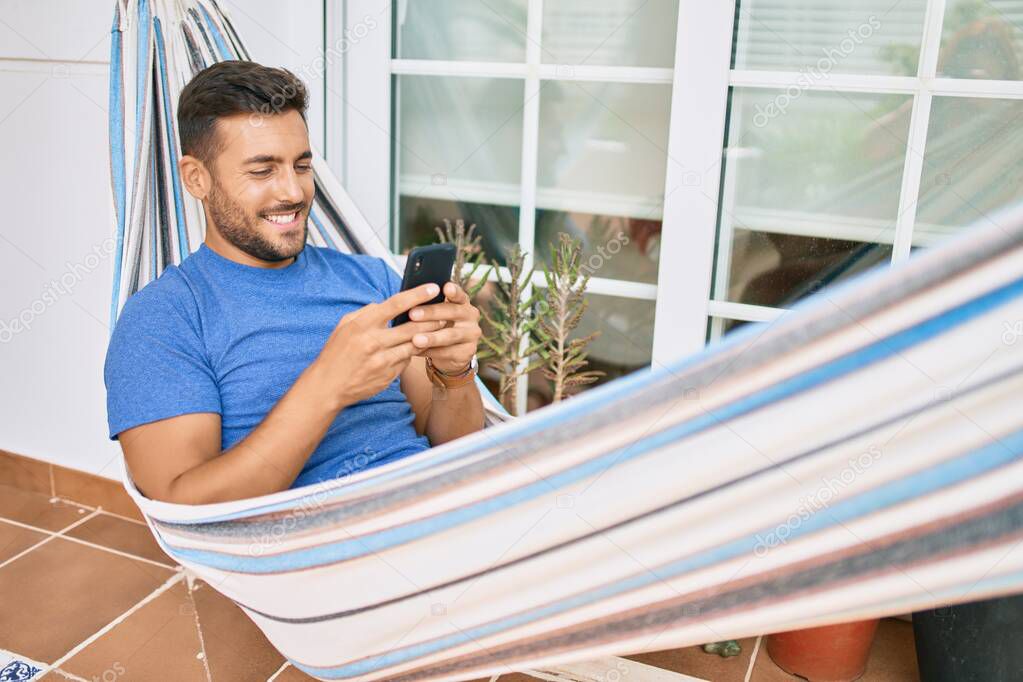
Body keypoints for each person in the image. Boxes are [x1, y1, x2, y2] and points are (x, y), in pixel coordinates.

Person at [104, 61, 484, 504]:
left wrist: (453, 375)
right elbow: (186, 505)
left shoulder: (373, 281)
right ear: (196, 178)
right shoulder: (163, 319)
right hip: (308, 550)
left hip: (435, 508)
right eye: (263, 171)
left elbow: (452, 449)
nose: (293, 192)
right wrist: (327, 385)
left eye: (301, 166)